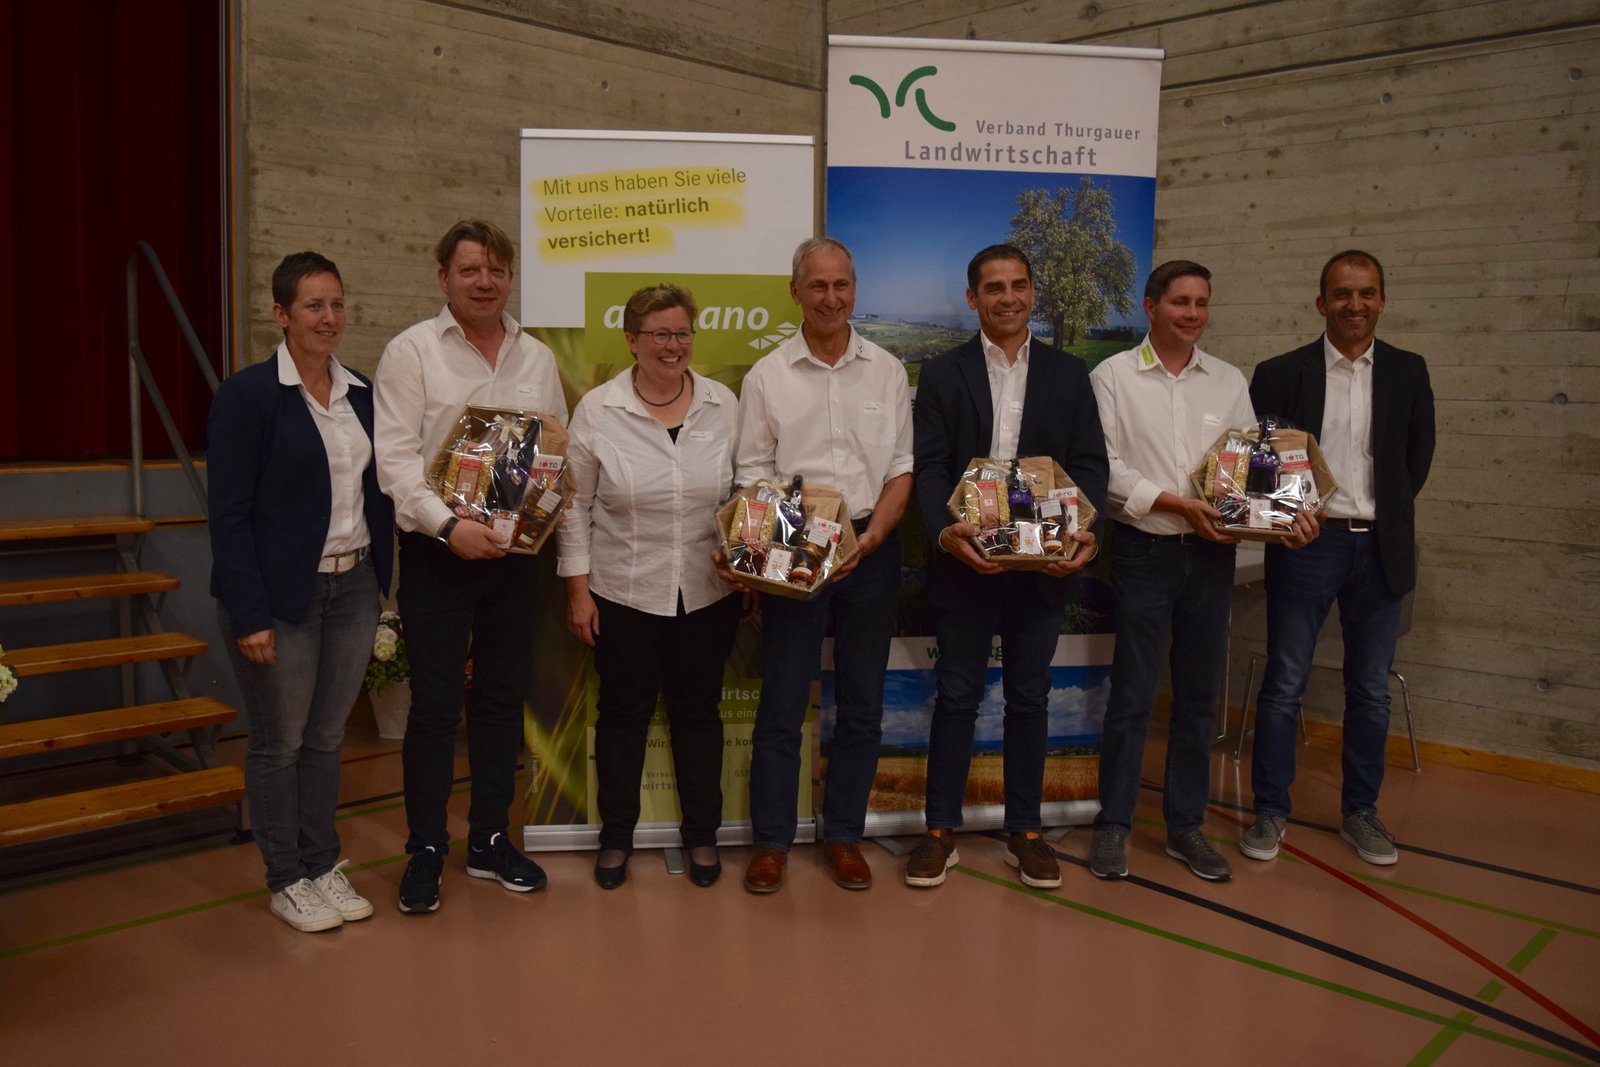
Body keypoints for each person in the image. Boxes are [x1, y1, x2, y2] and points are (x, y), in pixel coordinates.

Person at [1087, 260, 1317, 883]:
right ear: (1150, 307)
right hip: (1145, 552)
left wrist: (1287, 513)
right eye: (1180, 302)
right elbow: (1105, 469)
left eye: (1201, 303)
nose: (1192, 314)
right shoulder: (1112, 376)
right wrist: (1176, 504)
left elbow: (1248, 468)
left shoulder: (1228, 381)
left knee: (1197, 701)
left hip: (1213, 556)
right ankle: (1113, 825)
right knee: (1133, 696)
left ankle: (1185, 827)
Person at [374, 219, 568, 913]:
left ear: (510, 277)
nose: (484, 282)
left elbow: (552, 451)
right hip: (439, 554)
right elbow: (395, 462)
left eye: (496, 270)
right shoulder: (412, 352)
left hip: (515, 559)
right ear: (443, 278)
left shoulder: (536, 357)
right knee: (433, 708)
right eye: (469, 270)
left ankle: (488, 839)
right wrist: (449, 527)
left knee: (500, 701)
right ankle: (426, 849)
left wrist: (538, 516)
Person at [905, 244, 1107, 891]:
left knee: (1030, 696)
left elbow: (1090, 464)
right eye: (994, 287)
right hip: (965, 561)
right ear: (973, 298)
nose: (1009, 297)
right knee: (957, 695)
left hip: (1043, 568)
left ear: (1033, 292)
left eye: (1019, 285)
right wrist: (945, 533)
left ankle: (1026, 832)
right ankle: (940, 830)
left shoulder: (1069, 374)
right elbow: (929, 467)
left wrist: (1083, 534)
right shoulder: (943, 374)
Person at [209, 251, 395, 932]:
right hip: (280, 597)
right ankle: (285, 876)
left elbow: (381, 490)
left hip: (354, 587)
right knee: (279, 741)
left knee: (325, 738)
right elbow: (228, 514)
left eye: (337, 304)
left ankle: (320, 864)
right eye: (314, 305)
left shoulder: (362, 393)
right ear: (281, 314)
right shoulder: (248, 395)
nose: (329, 317)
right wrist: (249, 613)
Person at [729, 237, 913, 894]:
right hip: (795, 553)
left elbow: (900, 469)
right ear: (796, 292)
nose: (831, 298)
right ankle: (772, 843)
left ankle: (844, 837)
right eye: (818, 285)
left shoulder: (887, 371)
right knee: (782, 703)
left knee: (862, 703)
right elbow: (752, 472)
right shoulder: (767, 376)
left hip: (871, 550)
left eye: (841, 285)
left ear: (854, 290)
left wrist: (869, 537)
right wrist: (792, 547)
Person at [1241, 250, 1434, 867]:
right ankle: (1270, 810)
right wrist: (1289, 518)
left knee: (1370, 691)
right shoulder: (1280, 373)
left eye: (1367, 293)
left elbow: (1417, 458)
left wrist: (1382, 512)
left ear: (1382, 301)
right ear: (1321, 303)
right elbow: (1260, 463)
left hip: (1381, 546)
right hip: (1308, 544)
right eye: (1343, 294)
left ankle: (1361, 813)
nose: (1356, 304)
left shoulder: (1408, 370)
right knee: (1284, 683)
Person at [558, 284, 741, 890]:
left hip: (708, 592)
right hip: (623, 592)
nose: (673, 345)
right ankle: (616, 838)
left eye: (682, 333)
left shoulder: (722, 404)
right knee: (622, 718)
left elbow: (743, 492)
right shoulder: (598, 410)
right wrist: (578, 591)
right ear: (632, 340)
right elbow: (574, 507)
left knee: (698, 717)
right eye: (659, 334)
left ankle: (702, 835)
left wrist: (748, 565)